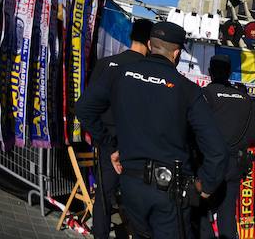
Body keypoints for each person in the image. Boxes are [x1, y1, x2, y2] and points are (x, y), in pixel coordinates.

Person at [77, 21, 229, 239]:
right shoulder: (187, 89)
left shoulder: (120, 73)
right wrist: (205, 185)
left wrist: (111, 144)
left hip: (131, 186)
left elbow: (84, 108)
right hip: (169, 193)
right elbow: (217, 150)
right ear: (176, 53)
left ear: (150, 44)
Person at [86, 18, 153, 239]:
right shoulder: (148, 71)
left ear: (132, 36)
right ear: (150, 42)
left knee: (104, 197)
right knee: (137, 199)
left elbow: (87, 106)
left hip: (108, 143)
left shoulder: (107, 63)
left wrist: (104, 141)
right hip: (135, 146)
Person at [198, 55, 255, 239]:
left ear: (210, 72)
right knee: (227, 214)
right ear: (229, 73)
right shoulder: (244, 98)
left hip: (208, 163)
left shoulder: (204, 94)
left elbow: (194, 129)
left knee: (200, 211)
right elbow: (254, 134)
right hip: (234, 164)